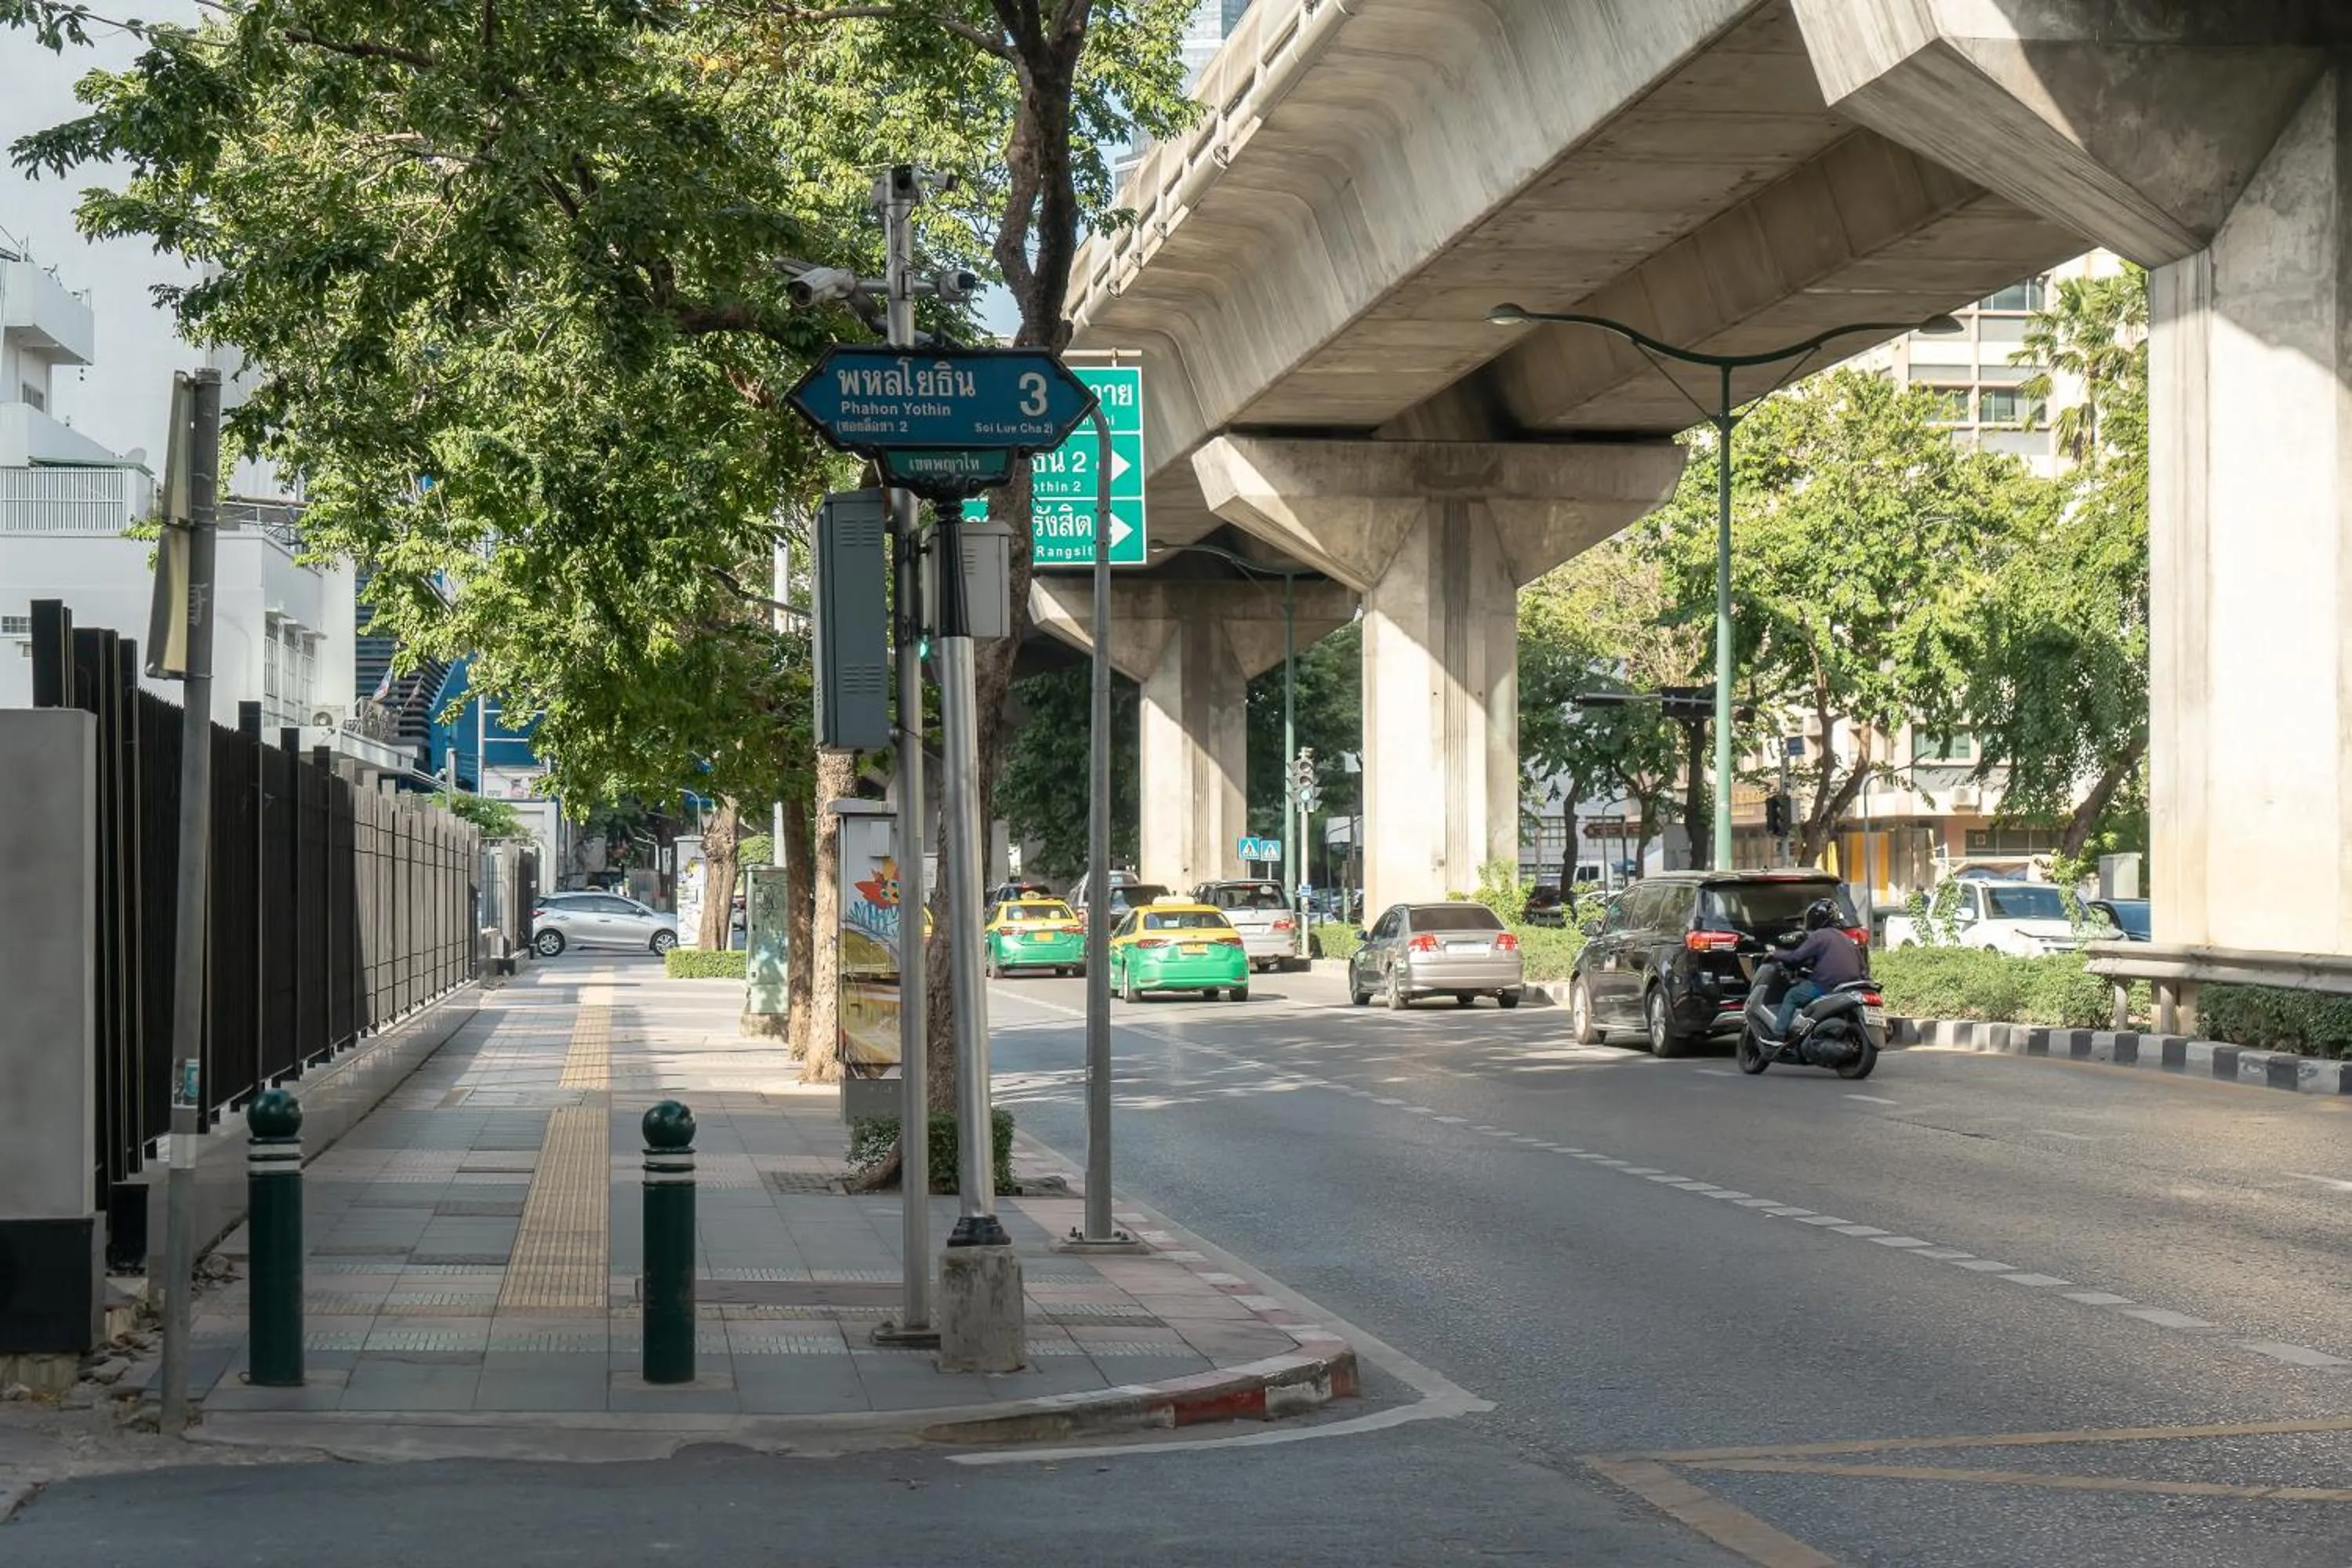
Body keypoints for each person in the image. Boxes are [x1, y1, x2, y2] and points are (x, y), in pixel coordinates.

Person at [1774, 899, 1864, 1040]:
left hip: (1826, 986)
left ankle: (1778, 1037)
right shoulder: (1846, 938)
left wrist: (1775, 954)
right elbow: (1862, 966)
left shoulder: (1818, 936)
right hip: (1850, 986)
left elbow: (1796, 957)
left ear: (1815, 919)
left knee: (1792, 996)